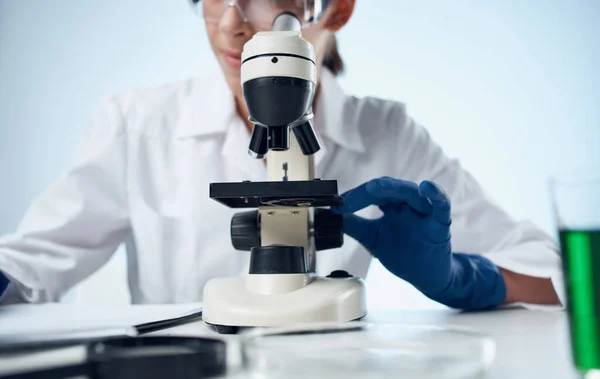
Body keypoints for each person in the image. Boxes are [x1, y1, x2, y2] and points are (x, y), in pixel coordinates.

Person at [0, 0, 562, 309]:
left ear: (334, 11)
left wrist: (464, 279)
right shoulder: (138, 123)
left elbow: (555, 270)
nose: (229, 23)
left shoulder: (387, 133)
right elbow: (29, 264)